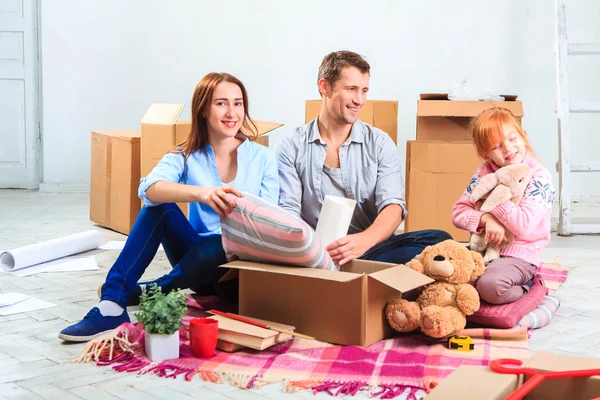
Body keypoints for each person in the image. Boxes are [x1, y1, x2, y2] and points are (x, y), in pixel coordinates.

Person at [59, 72, 279, 341]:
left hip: (239, 274)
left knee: (218, 245)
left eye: (238, 103)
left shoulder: (264, 158)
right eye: (221, 103)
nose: (232, 112)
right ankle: (112, 305)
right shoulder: (186, 155)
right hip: (194, 262)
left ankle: (154, 289)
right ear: (203, 110)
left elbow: (271, 222)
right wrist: (203, 194)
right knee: (158, 208)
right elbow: (148, 189)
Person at [276, 50, 451, 267]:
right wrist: (312, 251)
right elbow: (288, 212)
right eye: (351, 89)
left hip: (369, 250)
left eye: (364, 90)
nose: (359, 100)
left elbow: (393, 206)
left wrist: (363, 241)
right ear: (324, 87)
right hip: (314, 254)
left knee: (440, 240)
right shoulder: (290, 146)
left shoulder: (379, 143)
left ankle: (358, 273)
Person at [452, 107, 555, 304]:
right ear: (485, 154)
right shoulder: (484, 173)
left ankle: (530, 290)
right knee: (440, 276)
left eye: (512, 138)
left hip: (519, 255)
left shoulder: (539, 177)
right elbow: (458, 211)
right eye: (497, 146)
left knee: (490, 286)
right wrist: (486, 219)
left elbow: (523, 225)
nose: (508, 148)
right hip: (482, 250)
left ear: (523, 136)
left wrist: (494, 201)